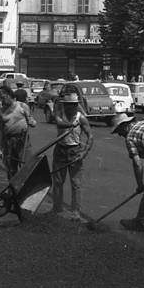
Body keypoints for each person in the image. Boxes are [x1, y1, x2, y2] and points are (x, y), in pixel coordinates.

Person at [51, 93, 93, 221]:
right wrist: (71, 125)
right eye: (67, 105)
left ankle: (75, 211)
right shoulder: (60, 114)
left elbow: (90, 137)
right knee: (58, 182)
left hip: (74, 150)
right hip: (60, 150)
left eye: (72, 105)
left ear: (76, 105)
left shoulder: (81, 118)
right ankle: (57, 209)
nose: (69, 108)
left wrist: (84, 153)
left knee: (76, 183)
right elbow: (59, 124)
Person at [0, 85, 37, 178]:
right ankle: (14, 190)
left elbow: (33, 122)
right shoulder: (2, 111)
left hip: (23, 141)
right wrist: (0, 148)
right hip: (9, 143)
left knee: (26, 167)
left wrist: (31, 122)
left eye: (3, 98)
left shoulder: (22, 106)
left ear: (9, 95)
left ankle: (27, 189)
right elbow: (1, 130)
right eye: (0, 99)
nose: (2, 101)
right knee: (11, 170)